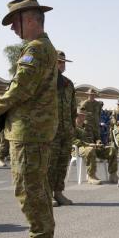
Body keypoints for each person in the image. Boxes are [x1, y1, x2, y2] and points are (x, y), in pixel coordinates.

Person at [0, 0, 59, 238]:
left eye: (14, 22)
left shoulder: (36, 49)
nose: (12, 28)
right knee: (37, 187)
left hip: (29, 130)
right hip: (33, 130)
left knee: (29, 189)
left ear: (30, 19)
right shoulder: (42, 47)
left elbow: (22, 88)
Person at [47, 50, 77, 207]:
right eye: (58, 62)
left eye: (63, 62)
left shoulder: (68, 83)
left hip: (66, 130)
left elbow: (73, 109)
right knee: (50, 163)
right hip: (51, 131)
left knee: (62, 162)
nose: (61, 65)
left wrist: (73, 127)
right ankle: (47, 193)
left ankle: (58, 192)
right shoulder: (45, 81)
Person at [73, 108, 118, 185]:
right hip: (79, 148)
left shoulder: (89, 126)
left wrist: (98, 142)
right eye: (80, 115)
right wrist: (88, 145)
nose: (82, 117)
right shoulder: (72, 127)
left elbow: (97, 137)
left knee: (112, 149)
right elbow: (73, 140)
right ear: (75, 116)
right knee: (90, 150)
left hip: (94, 147)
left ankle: (113, 174)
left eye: (83, 116)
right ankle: (91, 176)